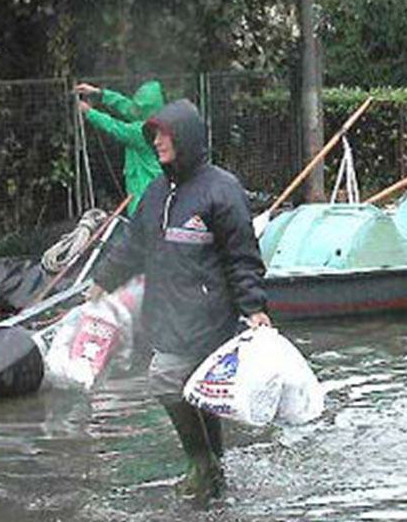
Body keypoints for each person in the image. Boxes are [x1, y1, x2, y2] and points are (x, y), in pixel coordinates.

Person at [88, 98, 271, 500]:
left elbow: (242, 256)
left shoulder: (222, 189)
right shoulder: (157, 192)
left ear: (184, 137)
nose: (156, 142)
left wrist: (254, 307)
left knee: (165, 378)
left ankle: (201, 464)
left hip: (209, 315)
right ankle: (215, 472)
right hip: (168, 312)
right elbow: (132, 244)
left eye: (164, 135)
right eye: (153, 135)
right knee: (198, 390)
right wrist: (103, 281)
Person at [75, 79, 165, 213]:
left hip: (144, 188)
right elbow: (127, 107)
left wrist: (89, 112)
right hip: (151, 187)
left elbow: (114, 127)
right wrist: (99, 93)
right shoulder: (158, 120)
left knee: (142, 219)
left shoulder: (142, 132)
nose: (135, 108)